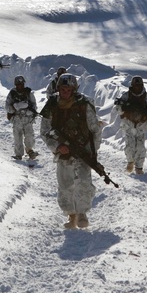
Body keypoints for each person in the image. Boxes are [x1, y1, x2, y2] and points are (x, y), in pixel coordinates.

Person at [40, 73, 101, 229]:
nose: (65, 92)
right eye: (63, 88)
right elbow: (45, 131)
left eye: (69, 89)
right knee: (65, 185)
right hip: (63, 153)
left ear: (74, 89)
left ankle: (82, 214)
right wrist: (57, 146)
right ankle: (71, 215)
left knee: (84, 183)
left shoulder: (84, 104)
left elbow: (95, 129)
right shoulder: (52, 105)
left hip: (83, 150)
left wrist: (92, 152)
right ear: (58, 88)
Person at [115, 76, 147, 175]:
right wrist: (125, 109)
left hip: (141, 125)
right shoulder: (126, 96)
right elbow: (118, 108)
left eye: (139, 85)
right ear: (132, 85)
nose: (137, 87)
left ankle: (139, 167)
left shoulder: (146, 97)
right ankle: (130, 162)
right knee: (130, 146)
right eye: (136, 85)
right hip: (129, 124)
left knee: (140, 147)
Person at [5, 76, 39, 161]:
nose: (20, 86)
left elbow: (34, 104)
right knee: (17, 137)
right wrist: (15, 107)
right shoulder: (12, 93)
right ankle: (18, 154)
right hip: (17, 118)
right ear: (15, 85)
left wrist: (31, 112)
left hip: (27, 118)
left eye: (21, 84)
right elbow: (7, 106)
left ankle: (29, 150)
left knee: (29, 135)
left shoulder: (28, 92)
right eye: (18, 84)